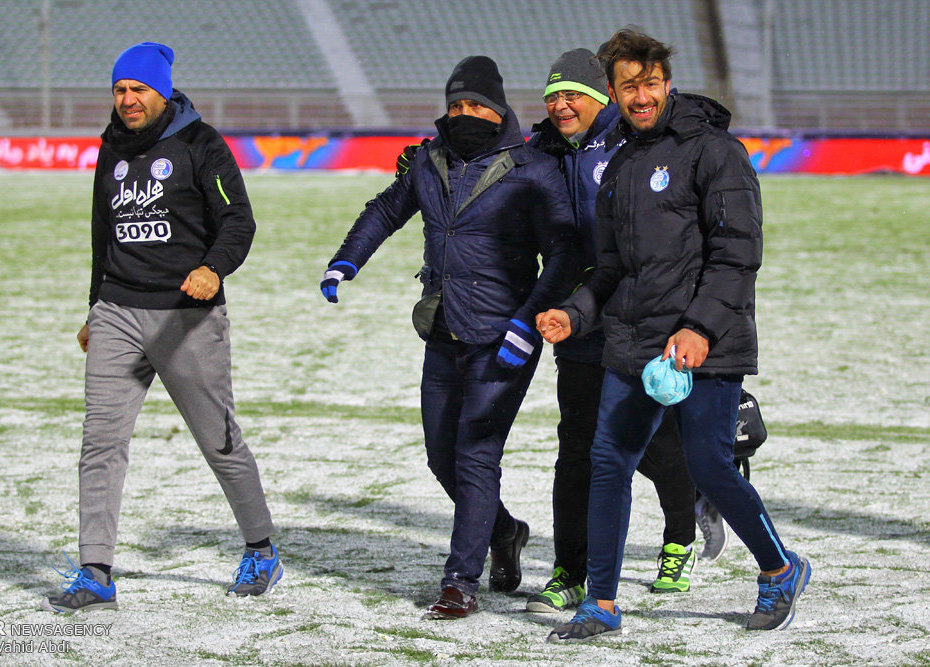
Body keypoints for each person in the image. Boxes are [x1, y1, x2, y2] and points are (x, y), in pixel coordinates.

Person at [537, 29, 811, 641]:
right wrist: (575, 314)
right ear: (612, 92)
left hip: (704, 345)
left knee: (709, 464)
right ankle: (602, 604)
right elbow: (611, 271)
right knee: (608, 462)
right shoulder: (621, 167)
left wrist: (699, 328)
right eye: (628, 86)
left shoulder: (715, 151)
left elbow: (738, 253)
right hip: (634, 342)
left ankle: (779, 568)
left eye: (650, 84)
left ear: (666, 83)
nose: (641, 97)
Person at [321, 55, 576, 619]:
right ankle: (505, 531)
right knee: (442, 457)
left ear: (500, 108)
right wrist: (346, 261)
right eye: (456, 105)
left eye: (477, 105)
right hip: (443, 329)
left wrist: (526, 322)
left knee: (476, 454)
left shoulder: (532, 167)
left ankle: (460, 581)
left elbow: (563, 252)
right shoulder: (428, 160)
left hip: (503, 334)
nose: (466, 114)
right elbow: (387, 210)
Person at [41, 42, 281, 613]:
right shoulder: (110, 148)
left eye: (138, 90)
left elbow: (238, 222)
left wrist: (211, 268)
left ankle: (261, 549)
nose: (127, 100)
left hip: (187, 317)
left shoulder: (201, 143)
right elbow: (104, 233)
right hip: (118, 313)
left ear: (163, 92)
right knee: (100, 442)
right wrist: (94, 306)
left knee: (218, 441)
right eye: (120, 90)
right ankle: (96, 571)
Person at [523, 48, 724, 614]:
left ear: (601, 97)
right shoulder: (542, 151)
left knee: (658, 447)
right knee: (577, 448)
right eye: (553, 95)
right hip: (581, 319)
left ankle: (680, 536)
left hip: (640, 318)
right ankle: (571, 569)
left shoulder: (631, 143)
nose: (562, 105)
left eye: (574, 95)